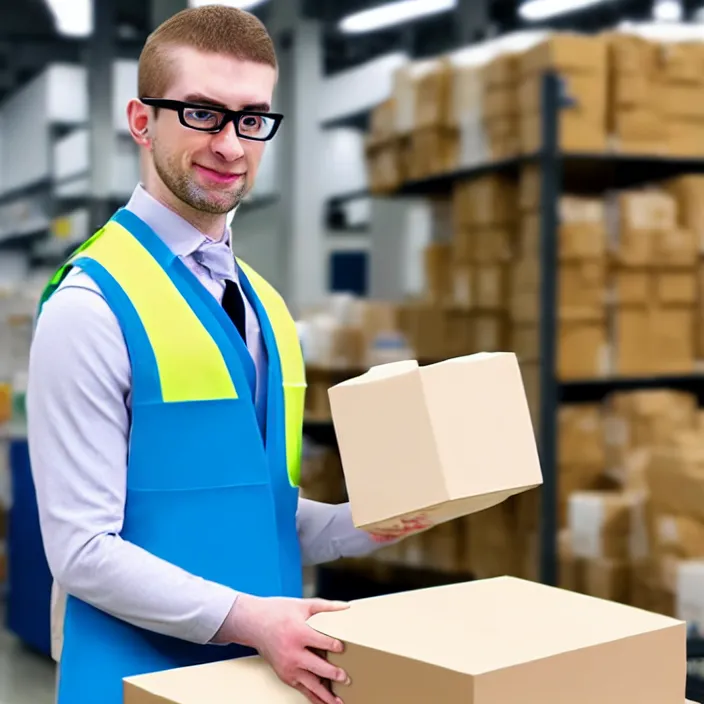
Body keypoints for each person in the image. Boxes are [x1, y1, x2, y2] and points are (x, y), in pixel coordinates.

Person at [26, 7, 415, 704]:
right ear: (142, 121)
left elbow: (262, 510)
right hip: (133, 681)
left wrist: (368, 522)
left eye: (252, 118)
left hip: (258, 679)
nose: (231, 145)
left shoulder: (266, 306)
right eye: (202, 113)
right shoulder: (90, 306)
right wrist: (254, 621)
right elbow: (82, 551)